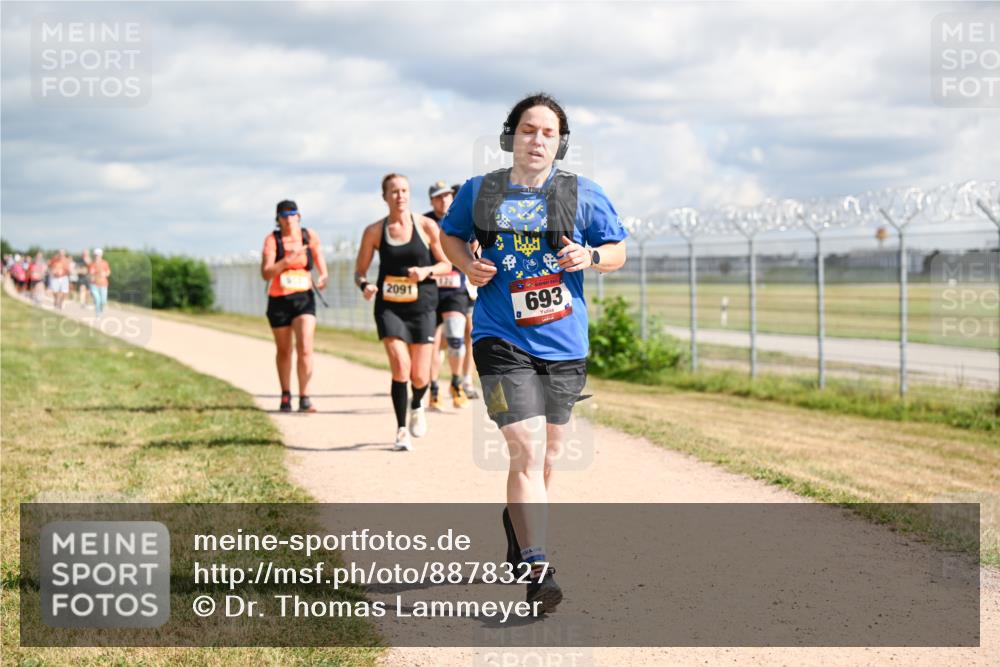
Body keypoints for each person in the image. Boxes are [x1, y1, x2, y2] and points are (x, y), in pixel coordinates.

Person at [440, 93, 628, 613]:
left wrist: (589, 255)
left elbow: (618, 251)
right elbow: (449, 238)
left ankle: (519, 527)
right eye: (528, 130)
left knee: (546, 457)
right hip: (500, 337)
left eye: (548, 132)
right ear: (511, 136)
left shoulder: (583, 194)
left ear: (560, 142)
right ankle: (539, 570)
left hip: (564, 343)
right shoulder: (480, 192)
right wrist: (467, 266)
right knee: (524, 447)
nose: (537, 139)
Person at [354, 173, 450, 451]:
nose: (400, 196)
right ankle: (400, 431)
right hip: (389, 308)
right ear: (384, 197)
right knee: (401, 367)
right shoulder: (374, 231)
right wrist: (365, 285)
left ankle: (417, 404)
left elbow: (446, 264)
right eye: (394, 191)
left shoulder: (426, 226)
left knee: (420, 376)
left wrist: (426, 271)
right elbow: (359, 271)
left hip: (422, 307)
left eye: (404, 190)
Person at [260, 200, 329, 413]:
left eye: (292, 213)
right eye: (284, 215)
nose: (288, 218)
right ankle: (285, 394)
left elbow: (319, 260)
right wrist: (287, 261)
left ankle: (305, 396)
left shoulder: (309, 236)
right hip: (279, 300)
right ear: (278, 218)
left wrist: (323, 276)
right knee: (284, 350)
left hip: (304, 299)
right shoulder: (273, 240)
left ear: (299, 216)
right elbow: (266, 273)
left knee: (305, 347)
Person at [424, 180, 472, 410]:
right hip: (430, 290)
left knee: (456, 337)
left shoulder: (462, 219)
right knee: (431, 343)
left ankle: (456, 384)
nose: (443, 200)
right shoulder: (423, 223)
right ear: (431, 200)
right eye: (437, 197)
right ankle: (433, 390)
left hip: (455, 289)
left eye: (446, 196)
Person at [88, 248, 111, 316]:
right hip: (94, 285)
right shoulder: (91, 264)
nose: (97, 256)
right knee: (97, 300)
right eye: (95, 255)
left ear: (101, 255)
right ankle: (98, 314)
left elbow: (108, 272)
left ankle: (100, 309)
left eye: (98, 255)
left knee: (103, 301)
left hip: (103, 284)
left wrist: (105, 274)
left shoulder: (105, 263)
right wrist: (91, 277)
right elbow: (89, 275)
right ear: (94, 256)